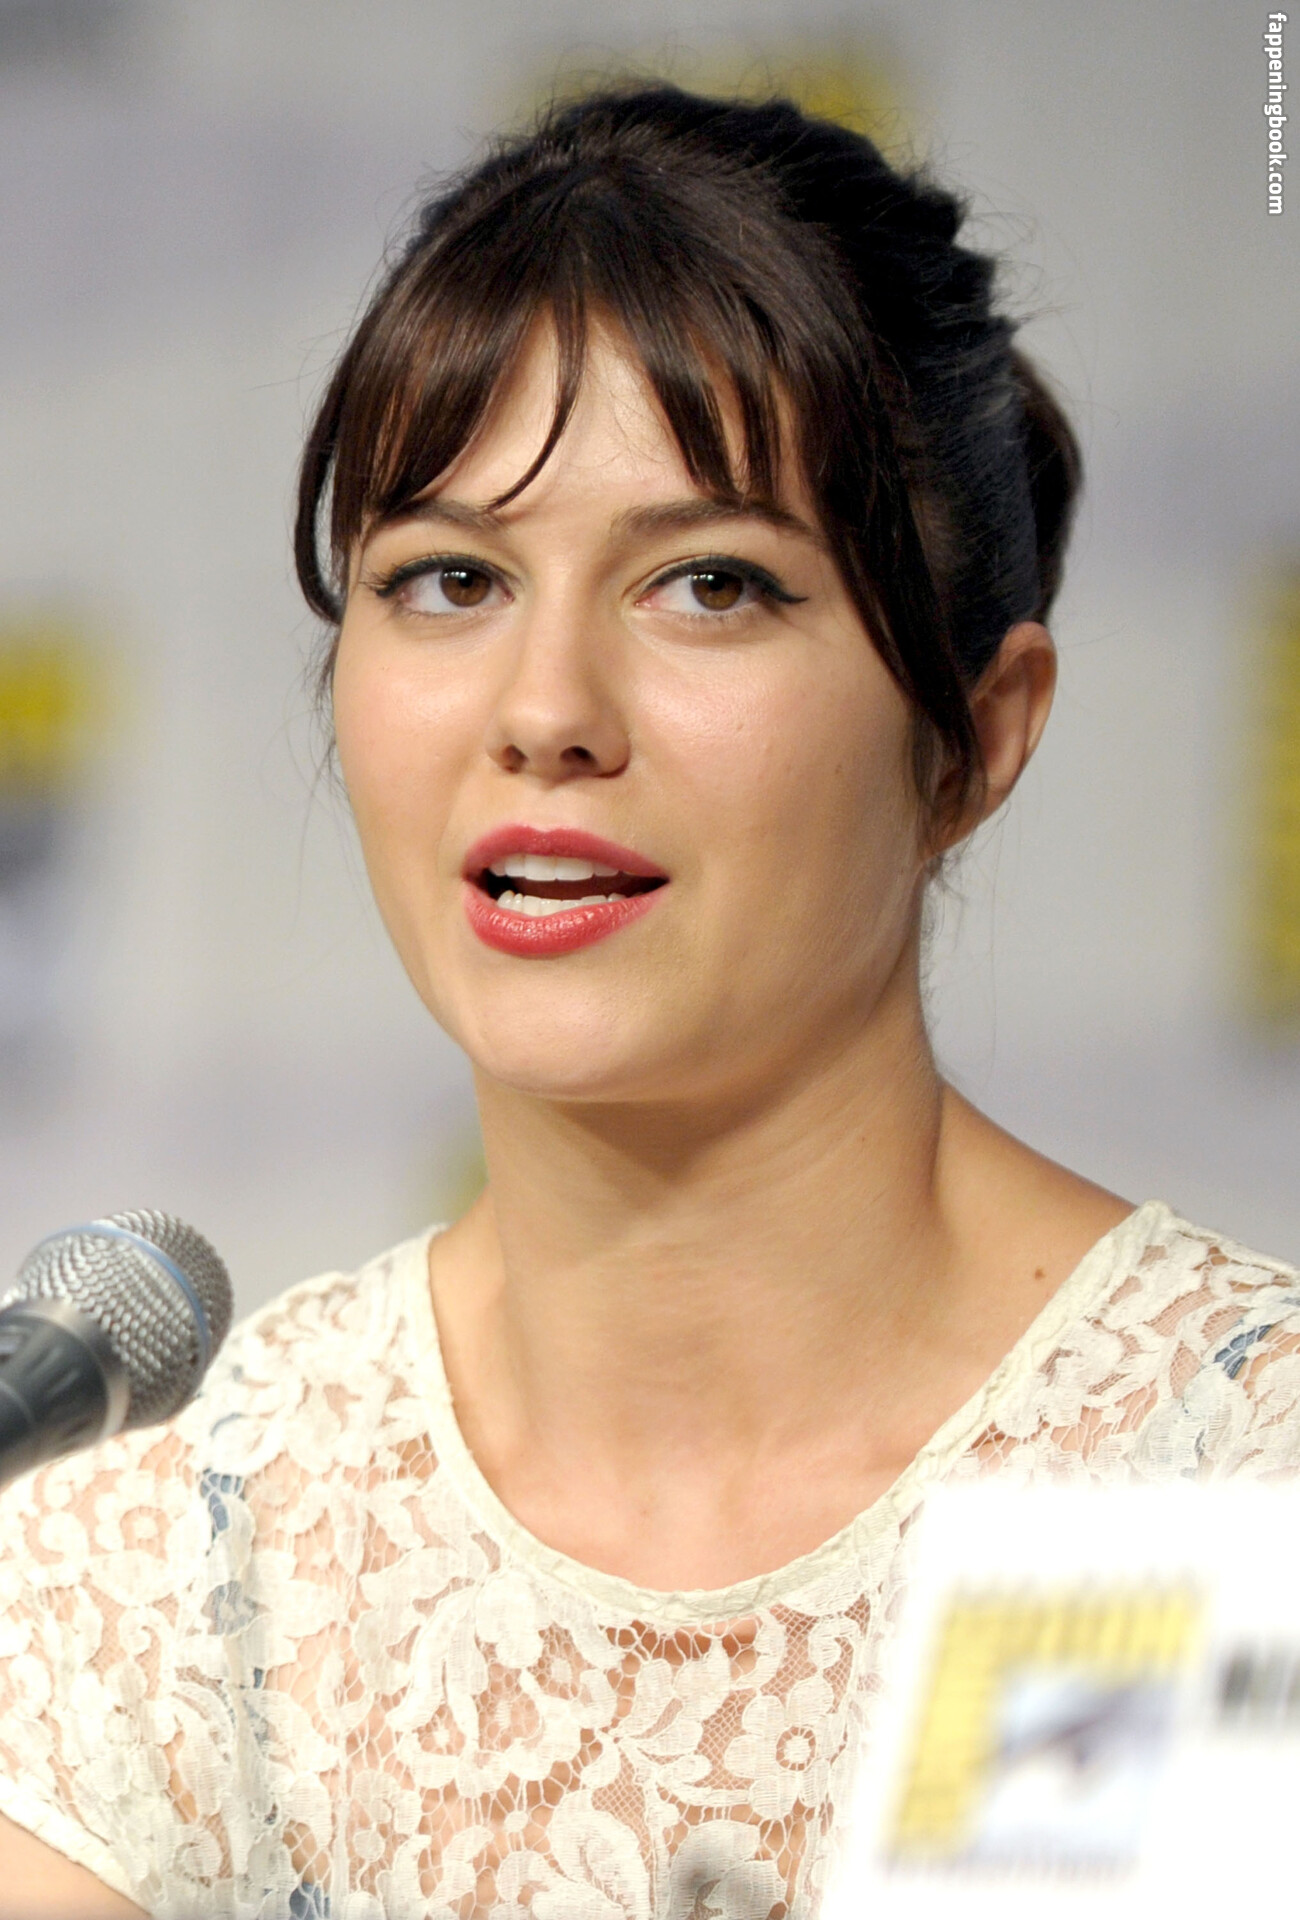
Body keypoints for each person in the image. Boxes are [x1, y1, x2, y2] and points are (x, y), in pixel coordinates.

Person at [0, 83, 1297, 1920]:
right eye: (450, 578)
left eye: (709, 584)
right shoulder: (175, 1557)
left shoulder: (1208, 1485)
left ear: (976, 737)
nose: (547, 709)